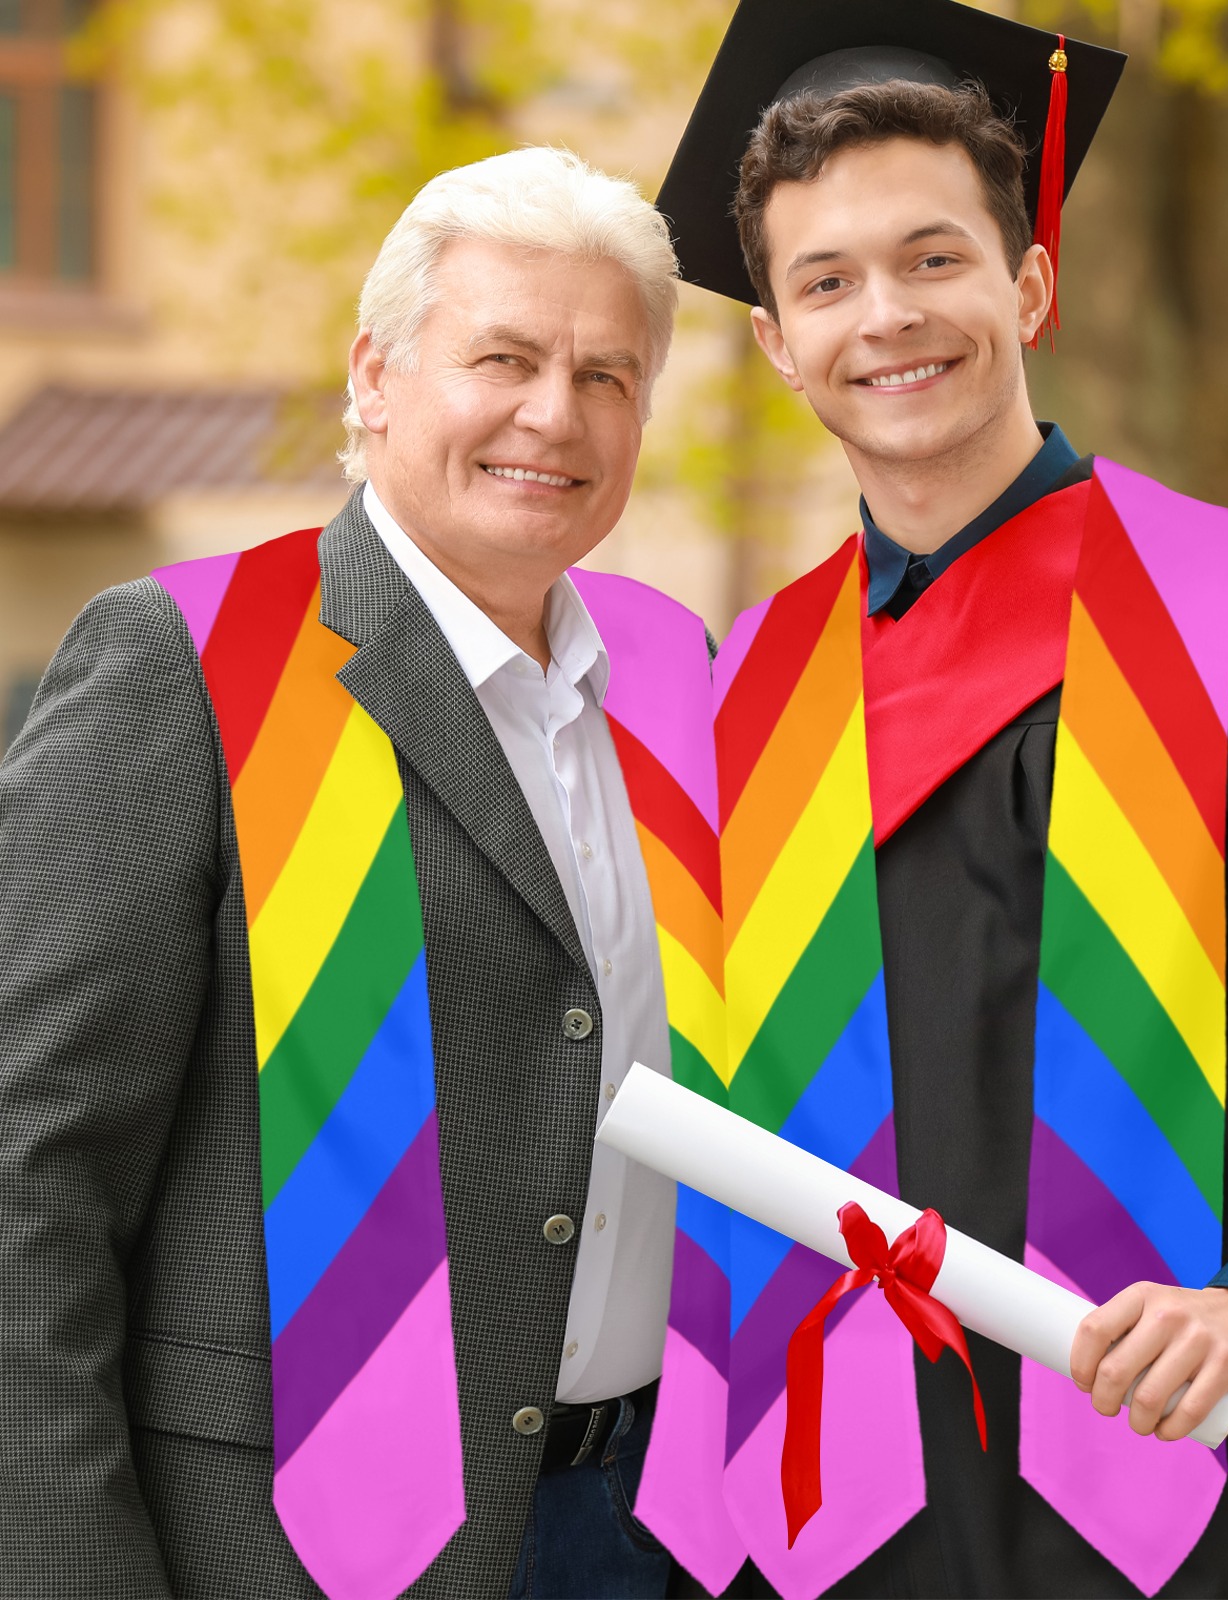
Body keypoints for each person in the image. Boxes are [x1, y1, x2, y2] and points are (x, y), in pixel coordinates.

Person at [632, 2, 1228, 1596]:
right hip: (862, 1517)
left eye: (935, 259)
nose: (888, 316)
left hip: (1213, 1482)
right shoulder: (756, 692)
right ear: (777, 342)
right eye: (827, 281)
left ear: (1029, 282)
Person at [0, 146, 713, 1600]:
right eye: (502, 357)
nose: (552, 415)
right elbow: (28, 1175)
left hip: (649, 1529)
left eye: (605, 376)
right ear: (375, 377)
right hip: (287, 1546)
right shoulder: (190, 665)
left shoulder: (674, 680)